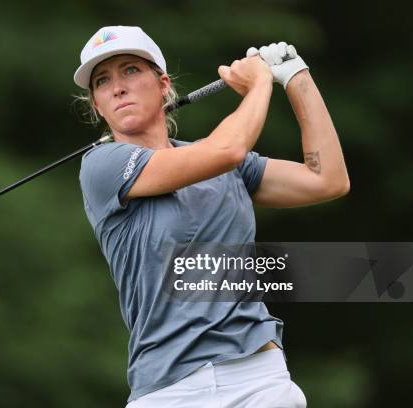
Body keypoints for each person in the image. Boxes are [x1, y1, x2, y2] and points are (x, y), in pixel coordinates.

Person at [74, 26, 349, 408]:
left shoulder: (225, 165)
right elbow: (229, 149)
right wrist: (257, 87)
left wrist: (294, 77)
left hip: (257, 378)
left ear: (163, 85)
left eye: (131, 70)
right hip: (167, 389)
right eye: (102, 82)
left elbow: (328, 180)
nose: (117, 87)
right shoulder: (101, 167)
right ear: (98, 106)